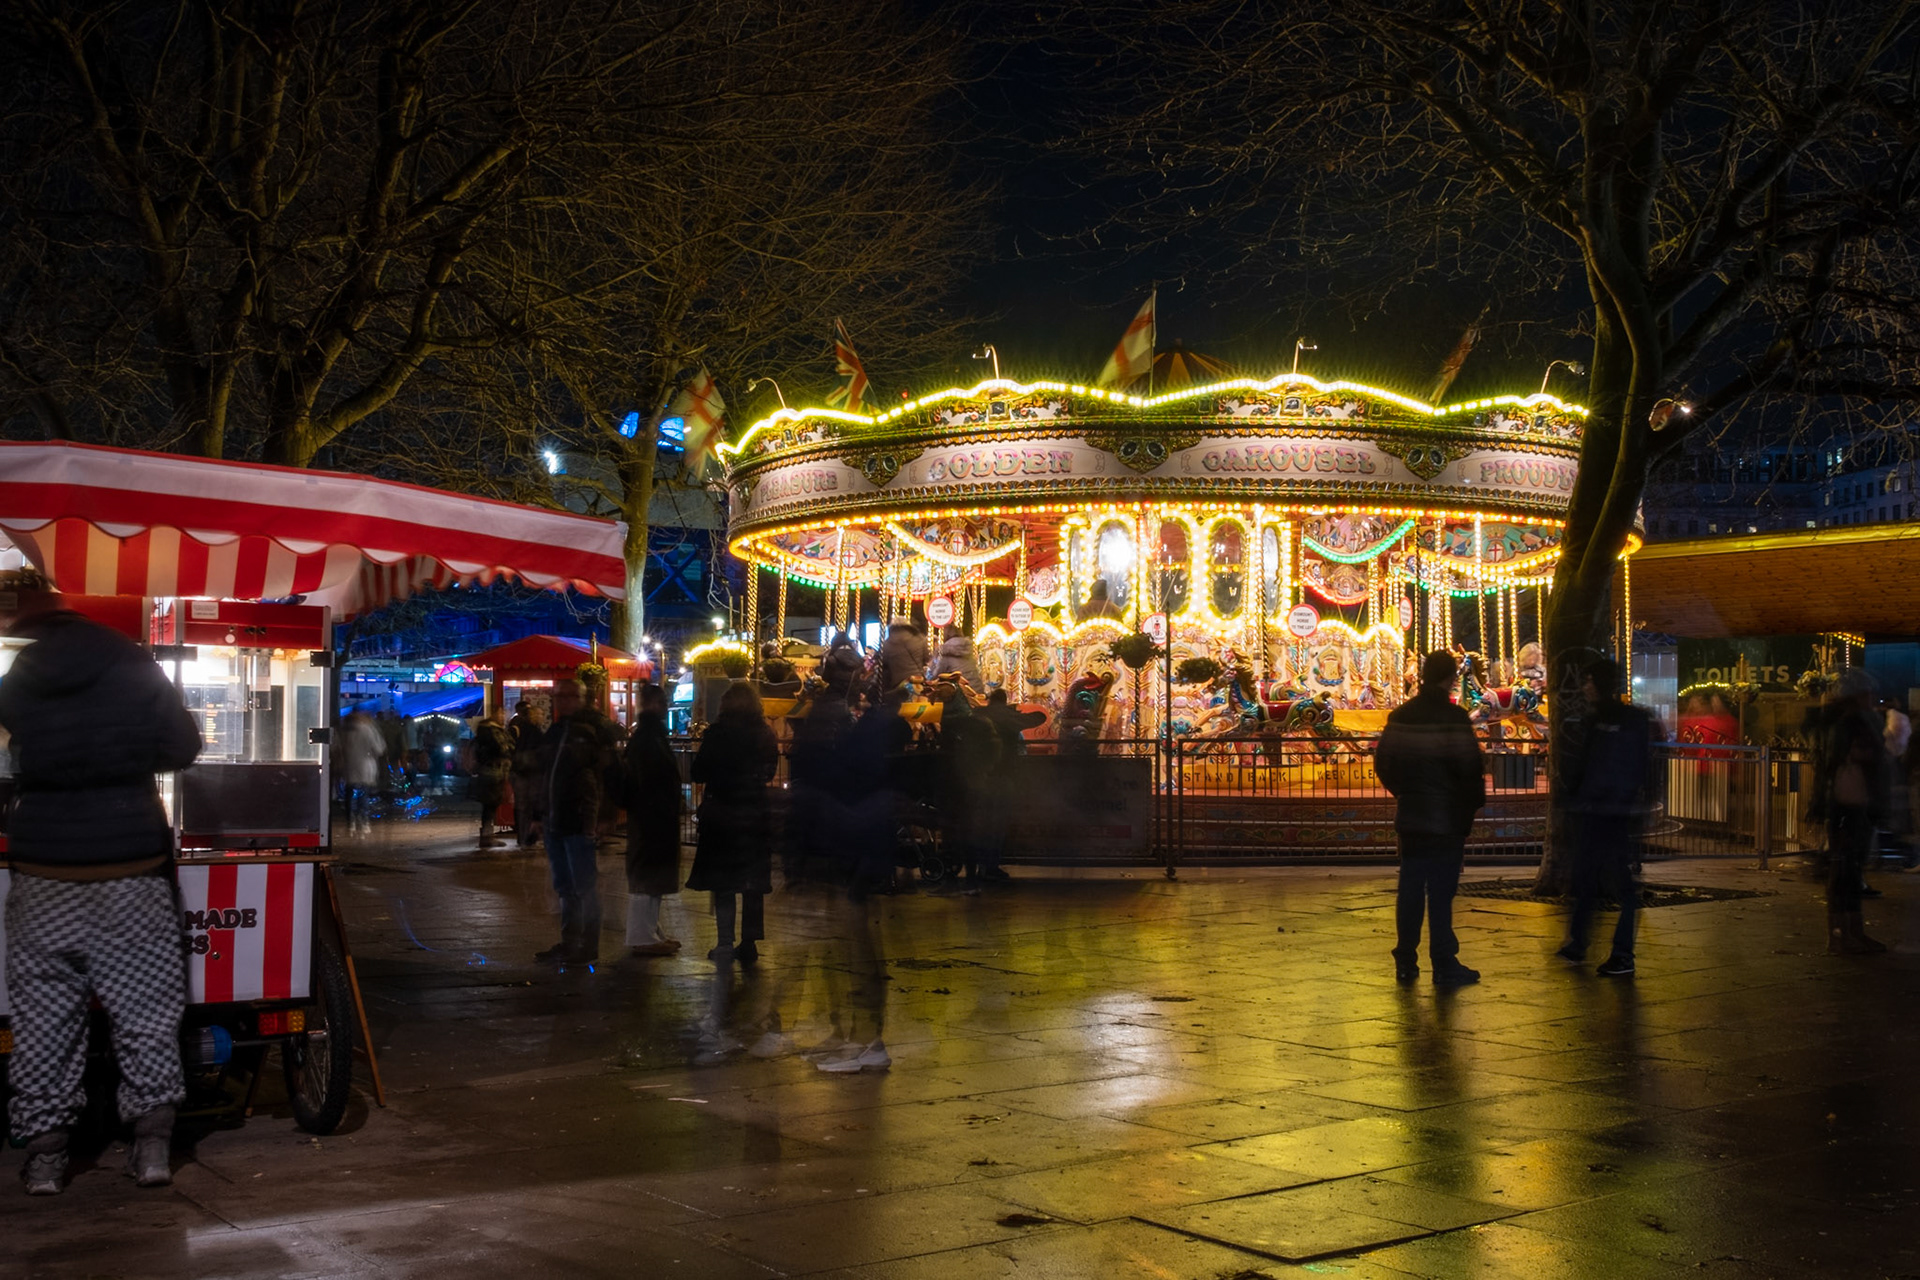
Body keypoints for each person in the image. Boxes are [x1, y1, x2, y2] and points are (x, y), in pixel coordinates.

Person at [0, 575, 202, 1194]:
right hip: (129, 871)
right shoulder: (132, 661)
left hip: (43, 872)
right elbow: (183, 746)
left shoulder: (18, 679)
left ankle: (45, 1157)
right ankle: (150, 1150)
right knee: (146, 1014)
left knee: (43, 1019)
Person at [1373, 650, 1487, 986]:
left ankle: (1406, 960)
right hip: (1447, 818)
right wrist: (1466, 809)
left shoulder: (1401, 717)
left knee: (1410, 888)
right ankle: (1444, 961)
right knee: (1440, 892)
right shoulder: (1454, 719)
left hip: (1412, 816)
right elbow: (1470, 770)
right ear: (1451, 678)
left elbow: (1384, 764)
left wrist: (1405, 793)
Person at [1556, 658, 1662, 977]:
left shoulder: (1612, 720)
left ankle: (1618, 952)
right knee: (1589, 879)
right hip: (1606, 809)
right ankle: (1582, 942)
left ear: (1600, 684)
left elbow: (1591, 764)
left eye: (1589, 680)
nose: (1585, 686)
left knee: (1618, 884)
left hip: (1612, 812)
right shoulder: (1617, 719)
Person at [687, 681, 779, 966]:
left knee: (723, 883)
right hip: (754, 813)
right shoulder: (765, 734)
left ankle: (725, 942)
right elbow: (768, 772)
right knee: (751, 883)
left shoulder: (718, 734)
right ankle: (749, 942)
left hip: (723, 815)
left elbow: (699, 770)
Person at [535, 679, 619, 963]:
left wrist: (604, 817)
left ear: (582, 699)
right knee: (565, 886)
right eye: (559, 696)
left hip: (579, 820)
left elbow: (605, 776)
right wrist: (539, 814)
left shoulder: (590, 732)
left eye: (570, 696)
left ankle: (587, 944)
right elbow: (545, 775)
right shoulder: (558, 731)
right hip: (556, 819)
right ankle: (570, 941)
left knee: (583, 886)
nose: (563, 701)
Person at [1810, 669, 1889, 954]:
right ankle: (1842, 935)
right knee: (1845, 870)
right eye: (1868, 693)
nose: (1872, 698)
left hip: (1849, 805)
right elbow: (1851, 759)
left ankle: (1847, 933)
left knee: (1848, 870)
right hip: (1848, 805)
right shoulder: (1850, 724)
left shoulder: (1844, 722)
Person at [624, 683, 685, 955]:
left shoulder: (648, 736)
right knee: (648, 878)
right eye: (662, 702)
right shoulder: (650, 738)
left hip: (653, 815)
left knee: (653, 878)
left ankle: (651, 931)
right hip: (653, 816)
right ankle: (642, 934)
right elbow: (651, 779)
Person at [471, 705, 514, 848]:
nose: (503, 716)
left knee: (491, 804)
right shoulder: (490, 730)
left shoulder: (490, 729)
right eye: (502, 713)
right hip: (492, 771)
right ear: (495, 713)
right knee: (490, 804)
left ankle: (487, 835)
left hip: (495, 771)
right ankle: (486, 836)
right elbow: (503, 748)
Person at [507, 698, 547, 847]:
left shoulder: (518, 728)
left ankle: (525, 837)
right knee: (527, 806)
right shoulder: (531, 731)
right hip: (528, 773)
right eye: (539, 714)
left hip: (520, 772)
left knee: (523, 806)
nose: (542, 717)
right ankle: (527, 837)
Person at [339, 708, 384, 836]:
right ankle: (364, 822)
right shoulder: (368, 729)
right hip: (365, 767)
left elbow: (337, 747)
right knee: (363, 795)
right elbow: (379, 749)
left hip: (349, 767)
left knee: (350, 795)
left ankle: (351, 823)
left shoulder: (344, 730)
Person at [878, 622, 928, 694]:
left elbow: (883, 662)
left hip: (898, 682)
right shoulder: (920, 639)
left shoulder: (887, 643)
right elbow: (926, 658)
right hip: (918, 679)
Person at [930, 627, 983, 694]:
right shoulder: (968, 650)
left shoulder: (945, 652)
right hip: (978, 688)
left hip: (962, 692)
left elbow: (936, 675)